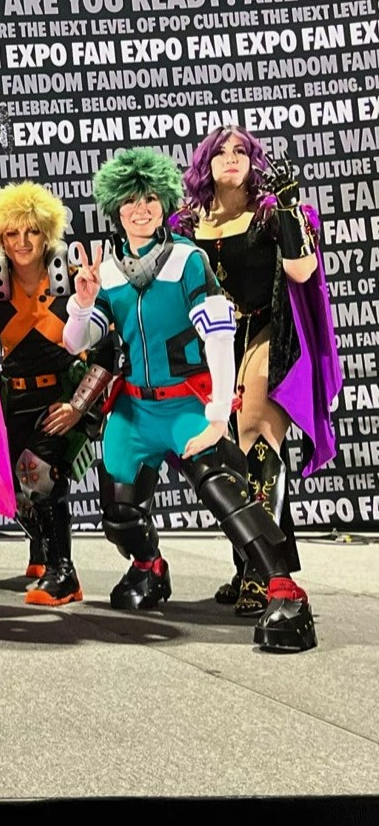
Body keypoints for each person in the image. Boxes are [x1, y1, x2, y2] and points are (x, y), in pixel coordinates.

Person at [63, 147, 316, 652]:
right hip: (133, 409)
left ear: (164, 203)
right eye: (130, 201)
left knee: (229, 495)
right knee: (118, 514)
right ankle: (148, 566)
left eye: (150, 200)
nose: (141, 210)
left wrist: (218, 413)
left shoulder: (187, 259)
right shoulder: (107, 270)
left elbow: (219, 336)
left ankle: (285, 589)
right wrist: (83, 303)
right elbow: (78, 342)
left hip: (185, 404)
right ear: (115, 208)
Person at [170, 127, 340, 614]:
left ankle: (262, 574)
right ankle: (251, 560)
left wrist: (288, 208)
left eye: (241, 150)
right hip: (209, 345)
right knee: (227, 457)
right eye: (221, 151)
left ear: (253, 160)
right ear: (204, 163)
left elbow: (302, 271)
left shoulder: (270, 213)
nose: (231, 157)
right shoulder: (185, 223)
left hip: (265, 333)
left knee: (257, 437)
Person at [0, 183, 114, 606]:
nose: (22, 242)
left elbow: (107, 349)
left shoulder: (77, 281)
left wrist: (78, 406)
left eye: (31, 232)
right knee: (15, 486)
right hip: (12, 400)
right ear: (0, 238)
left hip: (61, 397)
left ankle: (64, 573)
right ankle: (40, 549)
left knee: (40, 477)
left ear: (47, 233)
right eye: (12, 233)